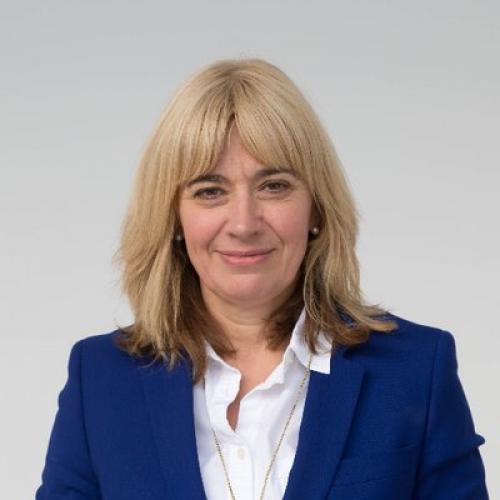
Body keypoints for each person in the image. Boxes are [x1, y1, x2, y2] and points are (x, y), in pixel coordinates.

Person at [36, 58, 488, 500]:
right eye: (210, 191)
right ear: (173, 217)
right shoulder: (100, 381)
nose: (244, 223)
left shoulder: (414, 371)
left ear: (317, 207)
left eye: (274, 186)